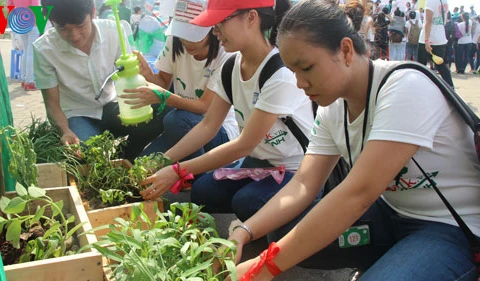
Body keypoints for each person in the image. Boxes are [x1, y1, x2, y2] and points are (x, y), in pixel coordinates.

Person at [229, 0, 480, 280]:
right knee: (282, 233)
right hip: (390, 214)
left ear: (346, 50)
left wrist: (265, 266)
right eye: (294, 73)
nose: (300, 83)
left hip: (449, 228)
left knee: (285, 248)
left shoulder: (405, 88)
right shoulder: (332, 108)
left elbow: (357, 195)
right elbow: (303, 184)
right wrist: (244, 231)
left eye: (307, 68)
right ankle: (400, 259)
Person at [139, 0, 314, 222]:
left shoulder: (280, 75)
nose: (215, 31)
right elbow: (207, 125)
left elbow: (243, 145)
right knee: (203, 192)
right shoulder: (231, 65)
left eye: (221, 22)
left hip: (293, 170)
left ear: (251, 18)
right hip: (256, 162)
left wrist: (177, 170)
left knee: (247, 202)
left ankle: (289, 221)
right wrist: (162, 160)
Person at [33, 0, 164, 161]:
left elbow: (129, 77)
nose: (74, 36)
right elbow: (52, 104)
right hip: (78, 115)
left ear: (93, 13)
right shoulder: (44, 49)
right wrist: (65, 131)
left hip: (113, 107)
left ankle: (125, 158)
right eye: (63, 29)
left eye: (80, 26)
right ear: (51, 22)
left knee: (162, 112)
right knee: (86, 155)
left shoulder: (114, 30)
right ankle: (105, 162)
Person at [119, 0, 239, 161]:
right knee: (143, 163)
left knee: (175, 118)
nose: (187, 42)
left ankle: (195, 173)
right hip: (181, 124)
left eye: (194, 36)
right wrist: (146, 72)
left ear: (213, 30)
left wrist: (163, 96)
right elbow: (162, 83)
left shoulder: (226, 55)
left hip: (217, 129)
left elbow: (204, 106)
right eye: (183, 35)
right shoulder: (174, 42)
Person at [417, 0, 454, 88]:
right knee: (440, 65)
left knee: (421, 65)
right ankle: (451, 87)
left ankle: (419, 87)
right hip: (440, 37)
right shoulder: (444, 1)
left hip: (429, 37)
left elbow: (428, 21)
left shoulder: (431, 2)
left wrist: (426, 40)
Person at [7, 0, 41, 91]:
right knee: (31, 52)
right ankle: (30, 81)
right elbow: (36, 6)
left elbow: (9, 5)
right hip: (33, 22)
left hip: (20, 22)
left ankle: (24, 79)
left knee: (25, 51)